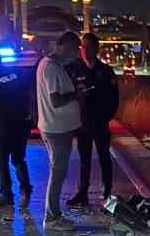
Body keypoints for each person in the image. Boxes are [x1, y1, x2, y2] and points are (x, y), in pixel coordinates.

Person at [67, 32, 119, 208]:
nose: (85, 50)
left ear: (96, 49)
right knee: (84, 160)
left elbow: (114, 98)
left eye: (89, 47)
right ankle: (82, 193)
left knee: (104, 157)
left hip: (100, 122)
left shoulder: (105, 71)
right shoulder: (74, 69)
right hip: (82, 123)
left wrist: (106, 116)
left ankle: (107, 192)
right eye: (83, 47)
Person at [37, 31, 82, 225]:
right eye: (73, 49)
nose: (75, 54)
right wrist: (77, 94)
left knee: (58, 171)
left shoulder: (50, 65)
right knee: (58, 173)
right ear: (62, 46)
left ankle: (53, 213)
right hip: (57, 129)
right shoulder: (52, 68)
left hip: (56, 127)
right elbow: (55, 100)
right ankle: (52, 216)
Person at [0, 47, 33, 209]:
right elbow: (27, 93)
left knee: (1, 160)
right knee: (18, 158)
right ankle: (25, 189)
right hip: (20, 122)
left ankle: (6, 195)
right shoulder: (15, 73)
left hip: (2, 124)